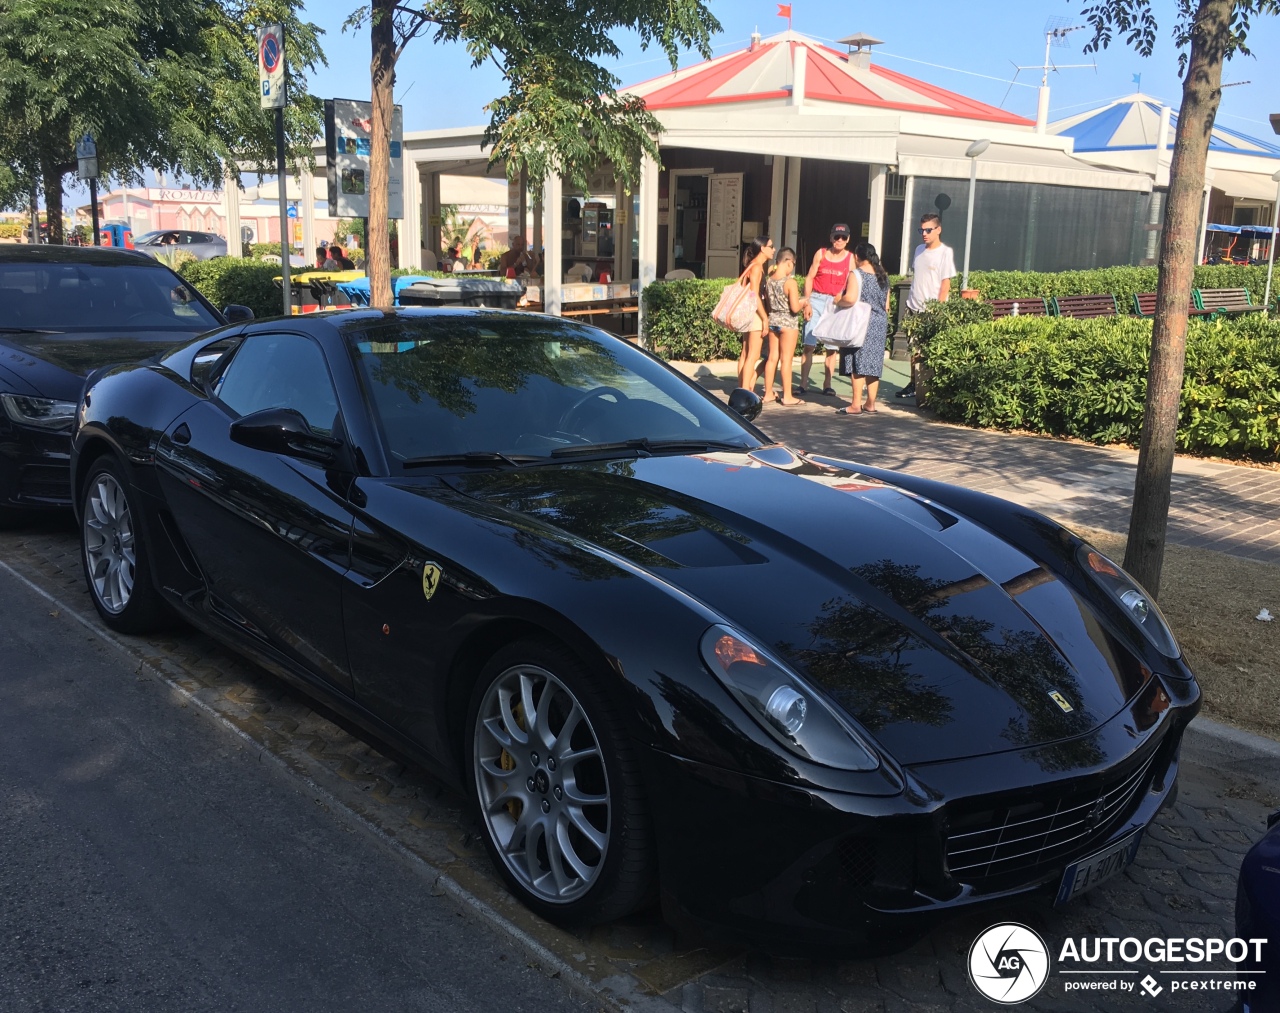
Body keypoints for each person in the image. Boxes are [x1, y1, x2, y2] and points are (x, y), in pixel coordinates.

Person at [897, 212, 956, 399]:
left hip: (931, 311)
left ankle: (931, 387)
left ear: (938, 230)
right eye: (921, 230)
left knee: (930, 349)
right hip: (913, 308)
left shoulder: (945, 252)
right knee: (914, 349)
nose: (924, 233)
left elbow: (945, 284)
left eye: (928, 230)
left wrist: (937, 311)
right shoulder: (918, 250)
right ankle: (914, 384)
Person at [835, 243, 892, 416]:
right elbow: (886, 305)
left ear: (857, 257)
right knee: (873, 363)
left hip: (861, 323)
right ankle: (871, 403)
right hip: (879, 322)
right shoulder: (883, 276)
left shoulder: (856, 274)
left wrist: (838, 300)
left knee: (857, 363)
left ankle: (855, 404)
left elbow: (851, 299)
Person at [800, 224, 854, 396]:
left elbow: (853, 282)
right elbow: (809, 277)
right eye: (837, 237)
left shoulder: (851, 258)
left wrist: (845, 301)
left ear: (848, 239)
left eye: (843, 237)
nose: (839, 240)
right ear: (831, 237)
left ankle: (827, 384)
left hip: (835, 303)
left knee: (832, 347)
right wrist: (806, 302)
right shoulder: (821, 253)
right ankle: (803, 384)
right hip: (816, 299)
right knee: (809, 344)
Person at [760, 248, 804, 405]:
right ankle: (788, 396)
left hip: (773, 320)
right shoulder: (790, 282)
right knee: (786, 360)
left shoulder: (769, 280)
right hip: (788, 323)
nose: (792, 267)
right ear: (788, 262)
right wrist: (804, 302)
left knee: (772, 358)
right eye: (793, 263)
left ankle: (768, 394)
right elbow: (794, 307)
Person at [734, 236, 774, 393]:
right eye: (771, 246)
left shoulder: (753, 266)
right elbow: (754, 294)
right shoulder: (756, 267)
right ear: (762, 249)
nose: (773, 249)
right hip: (755, 313)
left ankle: (741, 386)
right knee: (754, 354)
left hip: (748, 313)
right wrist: (764, 318)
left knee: (745, 352)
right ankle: (745, 390)